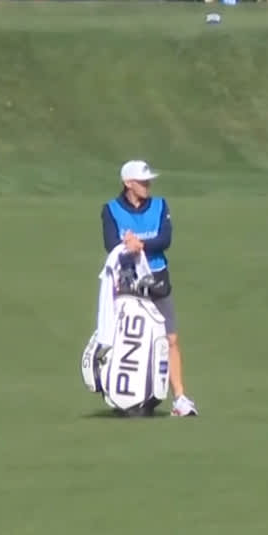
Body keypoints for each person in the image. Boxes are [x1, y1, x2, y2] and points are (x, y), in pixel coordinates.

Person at [102, 160, 198, 417]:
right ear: (128, 183)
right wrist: (126, 245)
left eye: (148, 181)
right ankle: (125, 395)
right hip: (126, 280)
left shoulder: (160, 205)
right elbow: (110, 244)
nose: (147, 185)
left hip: (157, 276)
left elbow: (165, 239)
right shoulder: (110, 210)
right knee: (127, 339)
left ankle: (180, 398)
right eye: (142, 182)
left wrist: (137, 243)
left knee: (170, 338)